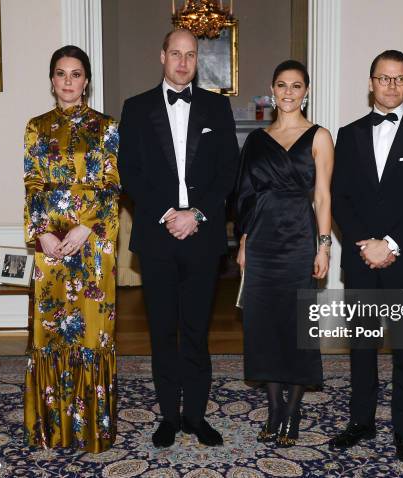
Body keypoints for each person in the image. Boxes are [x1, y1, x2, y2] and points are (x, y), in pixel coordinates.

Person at [118, 29, 239, 448]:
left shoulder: (217, 107)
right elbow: (130, 174)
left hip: (203, 236)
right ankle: (168, 416)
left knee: (195, 330)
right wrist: (170, 214)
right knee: (162, 331)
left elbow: (229, 172)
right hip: (157, 236)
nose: (183, 62)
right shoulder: (136, 108)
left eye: (190, 55)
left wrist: (197, 214)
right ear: (162, 55)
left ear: (196, 59)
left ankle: (196, 416)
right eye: (176, 54)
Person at [330, 50, 403, 463]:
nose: (392, 86)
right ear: (370, 82)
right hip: (360, 260)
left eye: (399, 79)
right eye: (384, 78)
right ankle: (360, 422)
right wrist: (366, 242)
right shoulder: (348, 134)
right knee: (362, 348)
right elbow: (339, 198)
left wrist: (391, 244)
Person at [23, 45, 120, 453]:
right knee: (50, 335)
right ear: (51, 80)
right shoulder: (35, 126)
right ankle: (50, 429)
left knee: (92, 335)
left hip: (93, 243)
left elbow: (112, 187)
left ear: (87, 81)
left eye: (76, 74)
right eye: (61, 73)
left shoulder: (107, 126)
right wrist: (42, 234)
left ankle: (91, 431)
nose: (68, 81)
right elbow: (32, 184)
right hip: (50, 248)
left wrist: (85, 228)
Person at [236, 60, 334, 447]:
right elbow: (244, 194)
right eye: (282, 85)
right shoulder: (257, 140)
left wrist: (323, 246)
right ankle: (275, 408)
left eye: (296, 85)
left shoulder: (319, 136)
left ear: (307, 91)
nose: (289, 92)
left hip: (298, 240)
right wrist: (244, 242)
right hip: (261, 241)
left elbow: (324, 196)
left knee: (296, 328)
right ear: (271, 90)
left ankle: (292, 414)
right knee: (264, 328)